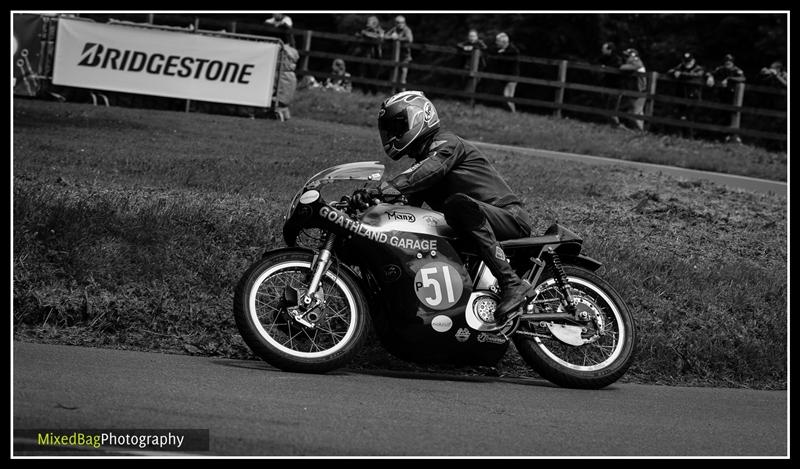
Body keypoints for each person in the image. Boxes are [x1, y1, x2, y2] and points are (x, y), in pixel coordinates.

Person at [374, 91, 535, 326]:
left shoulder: (446, 143)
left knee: (458, 204)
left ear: (419, 116)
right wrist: (372, 205)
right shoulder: (422, 165)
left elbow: (429, 170)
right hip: (475, 221)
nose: (392, 134)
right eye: (389, 129)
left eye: (397, 126)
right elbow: (404, 210)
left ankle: (512, 283)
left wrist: (385, 187)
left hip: (509, 216)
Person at [706, 54, 746, 143]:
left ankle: (731, 137)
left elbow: (742, 78)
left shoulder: (736, 70)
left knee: (731, 116)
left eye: (730, 62)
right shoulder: (720, 69)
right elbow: (709, 72)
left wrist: (729, 79)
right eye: (726, 61)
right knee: (720, 116)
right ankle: (719, 137)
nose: (728, 63)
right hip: (721, 96)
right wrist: (710, 77)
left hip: (733, 97)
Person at [666, 52, 705, 136]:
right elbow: (670, 71)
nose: (687, 63)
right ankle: (680, 136)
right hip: (681, 95)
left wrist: (681, 74)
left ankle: (690, 137)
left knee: (690, 117)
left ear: (693, 61)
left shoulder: (698, 68)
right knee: (680, 116)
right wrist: (674, 72)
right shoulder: (680, 66)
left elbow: (697, 75)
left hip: (693, 97)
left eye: (689, 61)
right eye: (685, 61)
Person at [487, 32, 521, 112]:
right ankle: (510, 113)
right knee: (506, 96)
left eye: (498, 41)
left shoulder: (513, 50)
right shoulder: (500, 50)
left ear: (503, 42)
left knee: (508, 96)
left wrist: (501, 54)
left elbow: (511, 57)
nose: (496, 43)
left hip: (512, 76)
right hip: (504, 76)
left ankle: (512, 113)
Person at [619, 48, 647, 131]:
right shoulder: (632, 62)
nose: (625, 58)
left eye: (627, 56)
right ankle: (639, 132)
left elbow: (625, 67)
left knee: (634, 114)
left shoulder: (636, 61)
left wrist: (621, 66)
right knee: (633, 112)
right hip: (634, 90)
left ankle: (640, 131)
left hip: (640, 91)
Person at [355, 15, 384, 95]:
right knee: (361, 75)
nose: (368, 25)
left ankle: (374, 94)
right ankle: (365, 93)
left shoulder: (380, 31)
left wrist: (366, 34)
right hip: (364, 56)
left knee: (373, 77)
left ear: (375, 24)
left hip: (375, 57)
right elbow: (358, 36)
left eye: (370, 24)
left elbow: (379, 37)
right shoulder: (365, 30)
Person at [597, 41, 624, 127]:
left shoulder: (617, 59)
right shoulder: (603, 58)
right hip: (607, 86)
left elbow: (617, 68)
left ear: (610, 50)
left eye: (603, 49)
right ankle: (612, 126)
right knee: (607, 108)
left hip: (615, 87)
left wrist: (606, 68)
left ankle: (617, 126)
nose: (602, 50)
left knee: (612, 109)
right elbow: (595, 62)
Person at [386, 15, 413, 91]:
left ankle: (403, 95)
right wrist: (391, 37)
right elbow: (385, 36)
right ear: (395, 23)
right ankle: (393, 96)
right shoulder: (394, 29)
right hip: (395, 57)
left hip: (405, 58)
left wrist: (398, 38)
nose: (400, 24)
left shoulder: (407, 30)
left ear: (404, 23)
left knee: (402, 78)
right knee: (393, 77)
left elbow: (410, 39)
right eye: (398, 23)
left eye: (402, 22)